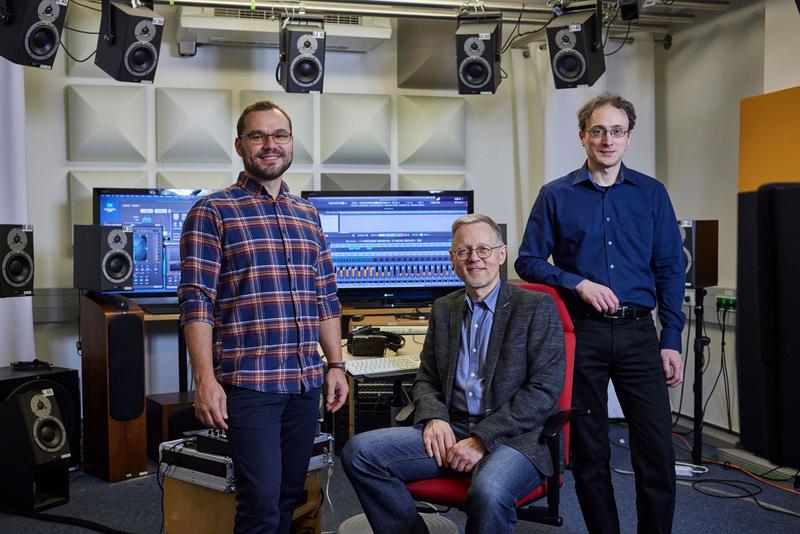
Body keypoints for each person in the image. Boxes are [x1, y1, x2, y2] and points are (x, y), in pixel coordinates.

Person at [515, 92, 685, 534]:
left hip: (638, 336)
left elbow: (669, 269)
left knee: (656, 452)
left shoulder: (651, 194)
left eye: (616, 131)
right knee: (589, 452)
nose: (607, 139)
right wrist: (578, 283)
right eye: (598, 131)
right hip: (581, 336)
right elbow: (528, 260)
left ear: (628, 138)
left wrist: (671, 339)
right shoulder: (555, 196)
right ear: (582, 137)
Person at [178, 100, 348, 534]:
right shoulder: (213, 211)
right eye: (258, 136)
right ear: (240, 145)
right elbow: (197, 300)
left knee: (292, 496)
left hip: (304, 382)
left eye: (280, 135)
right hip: (250, 383)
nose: (270, 145)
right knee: (260, 502)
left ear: (291, 143)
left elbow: (325, 295)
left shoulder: (308, 215)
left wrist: (335, 364)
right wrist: (205, 380)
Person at [342, 213, 566, 534]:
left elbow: (544, 392)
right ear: (452, 259)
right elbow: (427, 378)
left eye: (484, 250)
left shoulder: (535, 307)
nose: (474, 259)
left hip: (515, 438)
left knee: (488, 492)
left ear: (501, 254)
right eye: (464, 251)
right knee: (360, 453)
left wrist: (482, 439)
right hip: (453, 429)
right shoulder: (444, 308)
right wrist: (434, 417)